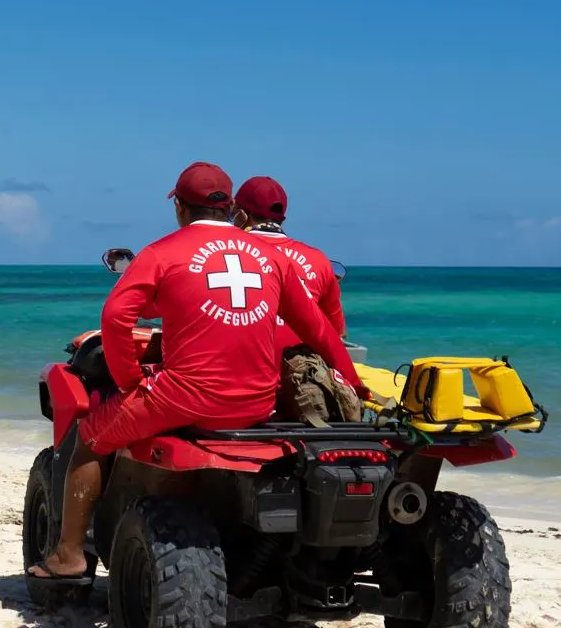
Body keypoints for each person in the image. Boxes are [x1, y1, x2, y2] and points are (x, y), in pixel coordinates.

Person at [27, 161, 367, 582]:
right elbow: (319, 328)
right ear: (230, 209)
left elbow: (115, 318)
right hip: (257, 402)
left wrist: (131, 381)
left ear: (180, 208)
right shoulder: (272, 259)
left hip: (183, 400)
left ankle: (69, 556)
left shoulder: (162, 253)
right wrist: (351, 380)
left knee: (91, 438)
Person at [232, 175, 361, 425]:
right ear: (282, 217)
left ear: (241, 214)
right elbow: (334, 335)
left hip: (244, 390)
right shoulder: (318, 260)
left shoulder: (228, 252)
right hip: (303, 390)